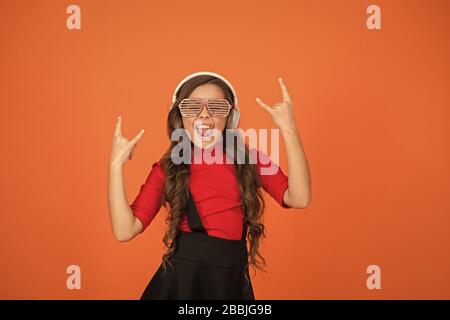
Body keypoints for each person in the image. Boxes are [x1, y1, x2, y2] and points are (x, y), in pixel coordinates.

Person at [108, 71, 311, 299]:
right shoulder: (168, 168)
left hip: (230, 286)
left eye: (216, 107)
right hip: (182, 286)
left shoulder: (250, 159)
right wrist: (115, 166)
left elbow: (299, 197)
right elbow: (125, 230)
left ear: (230, 118)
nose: (204, 116)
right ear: (179, 117)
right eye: (193, 108)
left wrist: (289, 130)